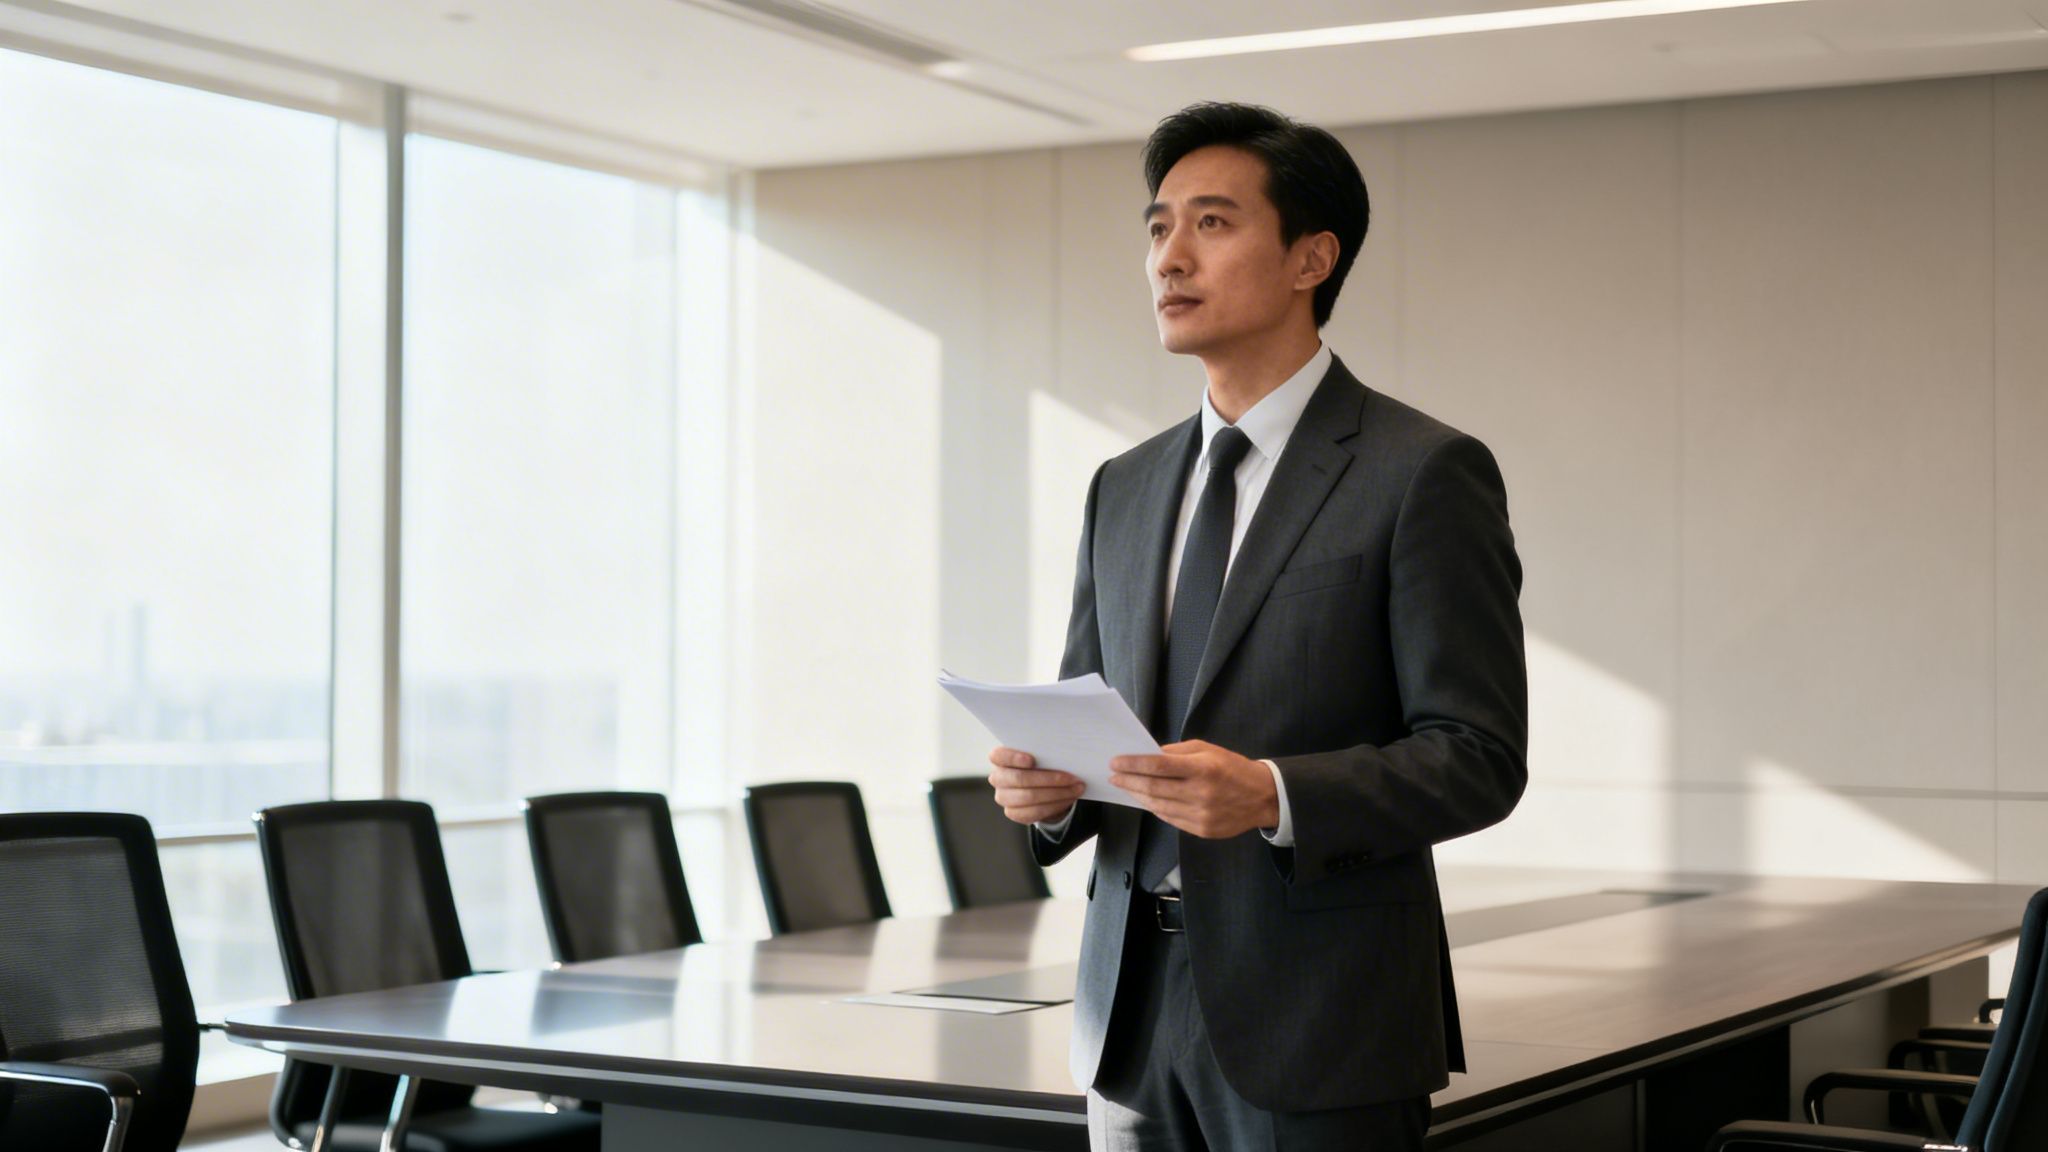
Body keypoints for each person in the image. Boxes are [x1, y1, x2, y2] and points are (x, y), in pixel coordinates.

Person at [986, 102, 1529, 1151]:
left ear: (1309, 259)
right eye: (1156, 227)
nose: (1168, 257)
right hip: (1127, 1021)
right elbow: (1089, 712)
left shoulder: (1419, 473)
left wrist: (1272, 795)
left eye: (1211, 223)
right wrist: (1043, 792)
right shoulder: (1124, 486)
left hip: (1320, 1022)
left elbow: (1476, 756)